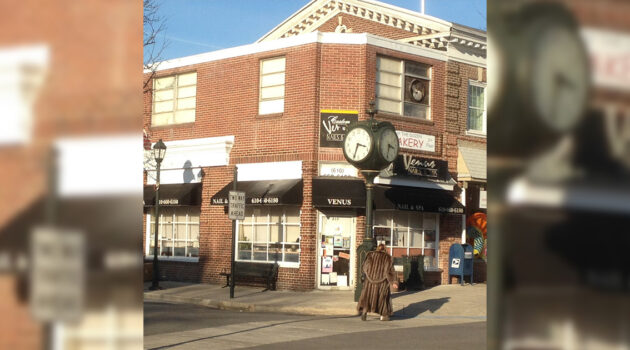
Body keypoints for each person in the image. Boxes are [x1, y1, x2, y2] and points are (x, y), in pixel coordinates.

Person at [357, 243, 398, 321]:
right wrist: (394, 282)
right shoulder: (388, 258)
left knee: (367, 297)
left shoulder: (370, 255)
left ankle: (364, 312)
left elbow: (365, 267)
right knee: (382, 298)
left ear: (377, 249)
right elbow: (390, 271)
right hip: (382, 282)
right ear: (385, 249)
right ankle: (383, 315)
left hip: (369, 281)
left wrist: (369, 275)